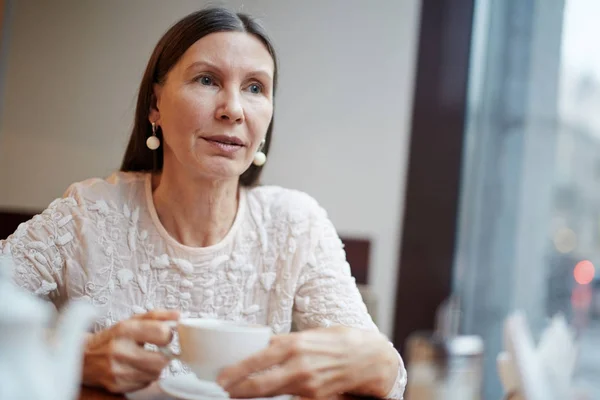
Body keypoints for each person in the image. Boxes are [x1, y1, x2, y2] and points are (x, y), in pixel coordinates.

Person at [0, 7, 406, 399]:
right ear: (155, 105)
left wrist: (373, 362)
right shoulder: (89, 213)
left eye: (255, 88)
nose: (233, 109)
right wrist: (78, 356)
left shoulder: (296, 224)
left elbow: (391, 378)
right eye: (207, 80)